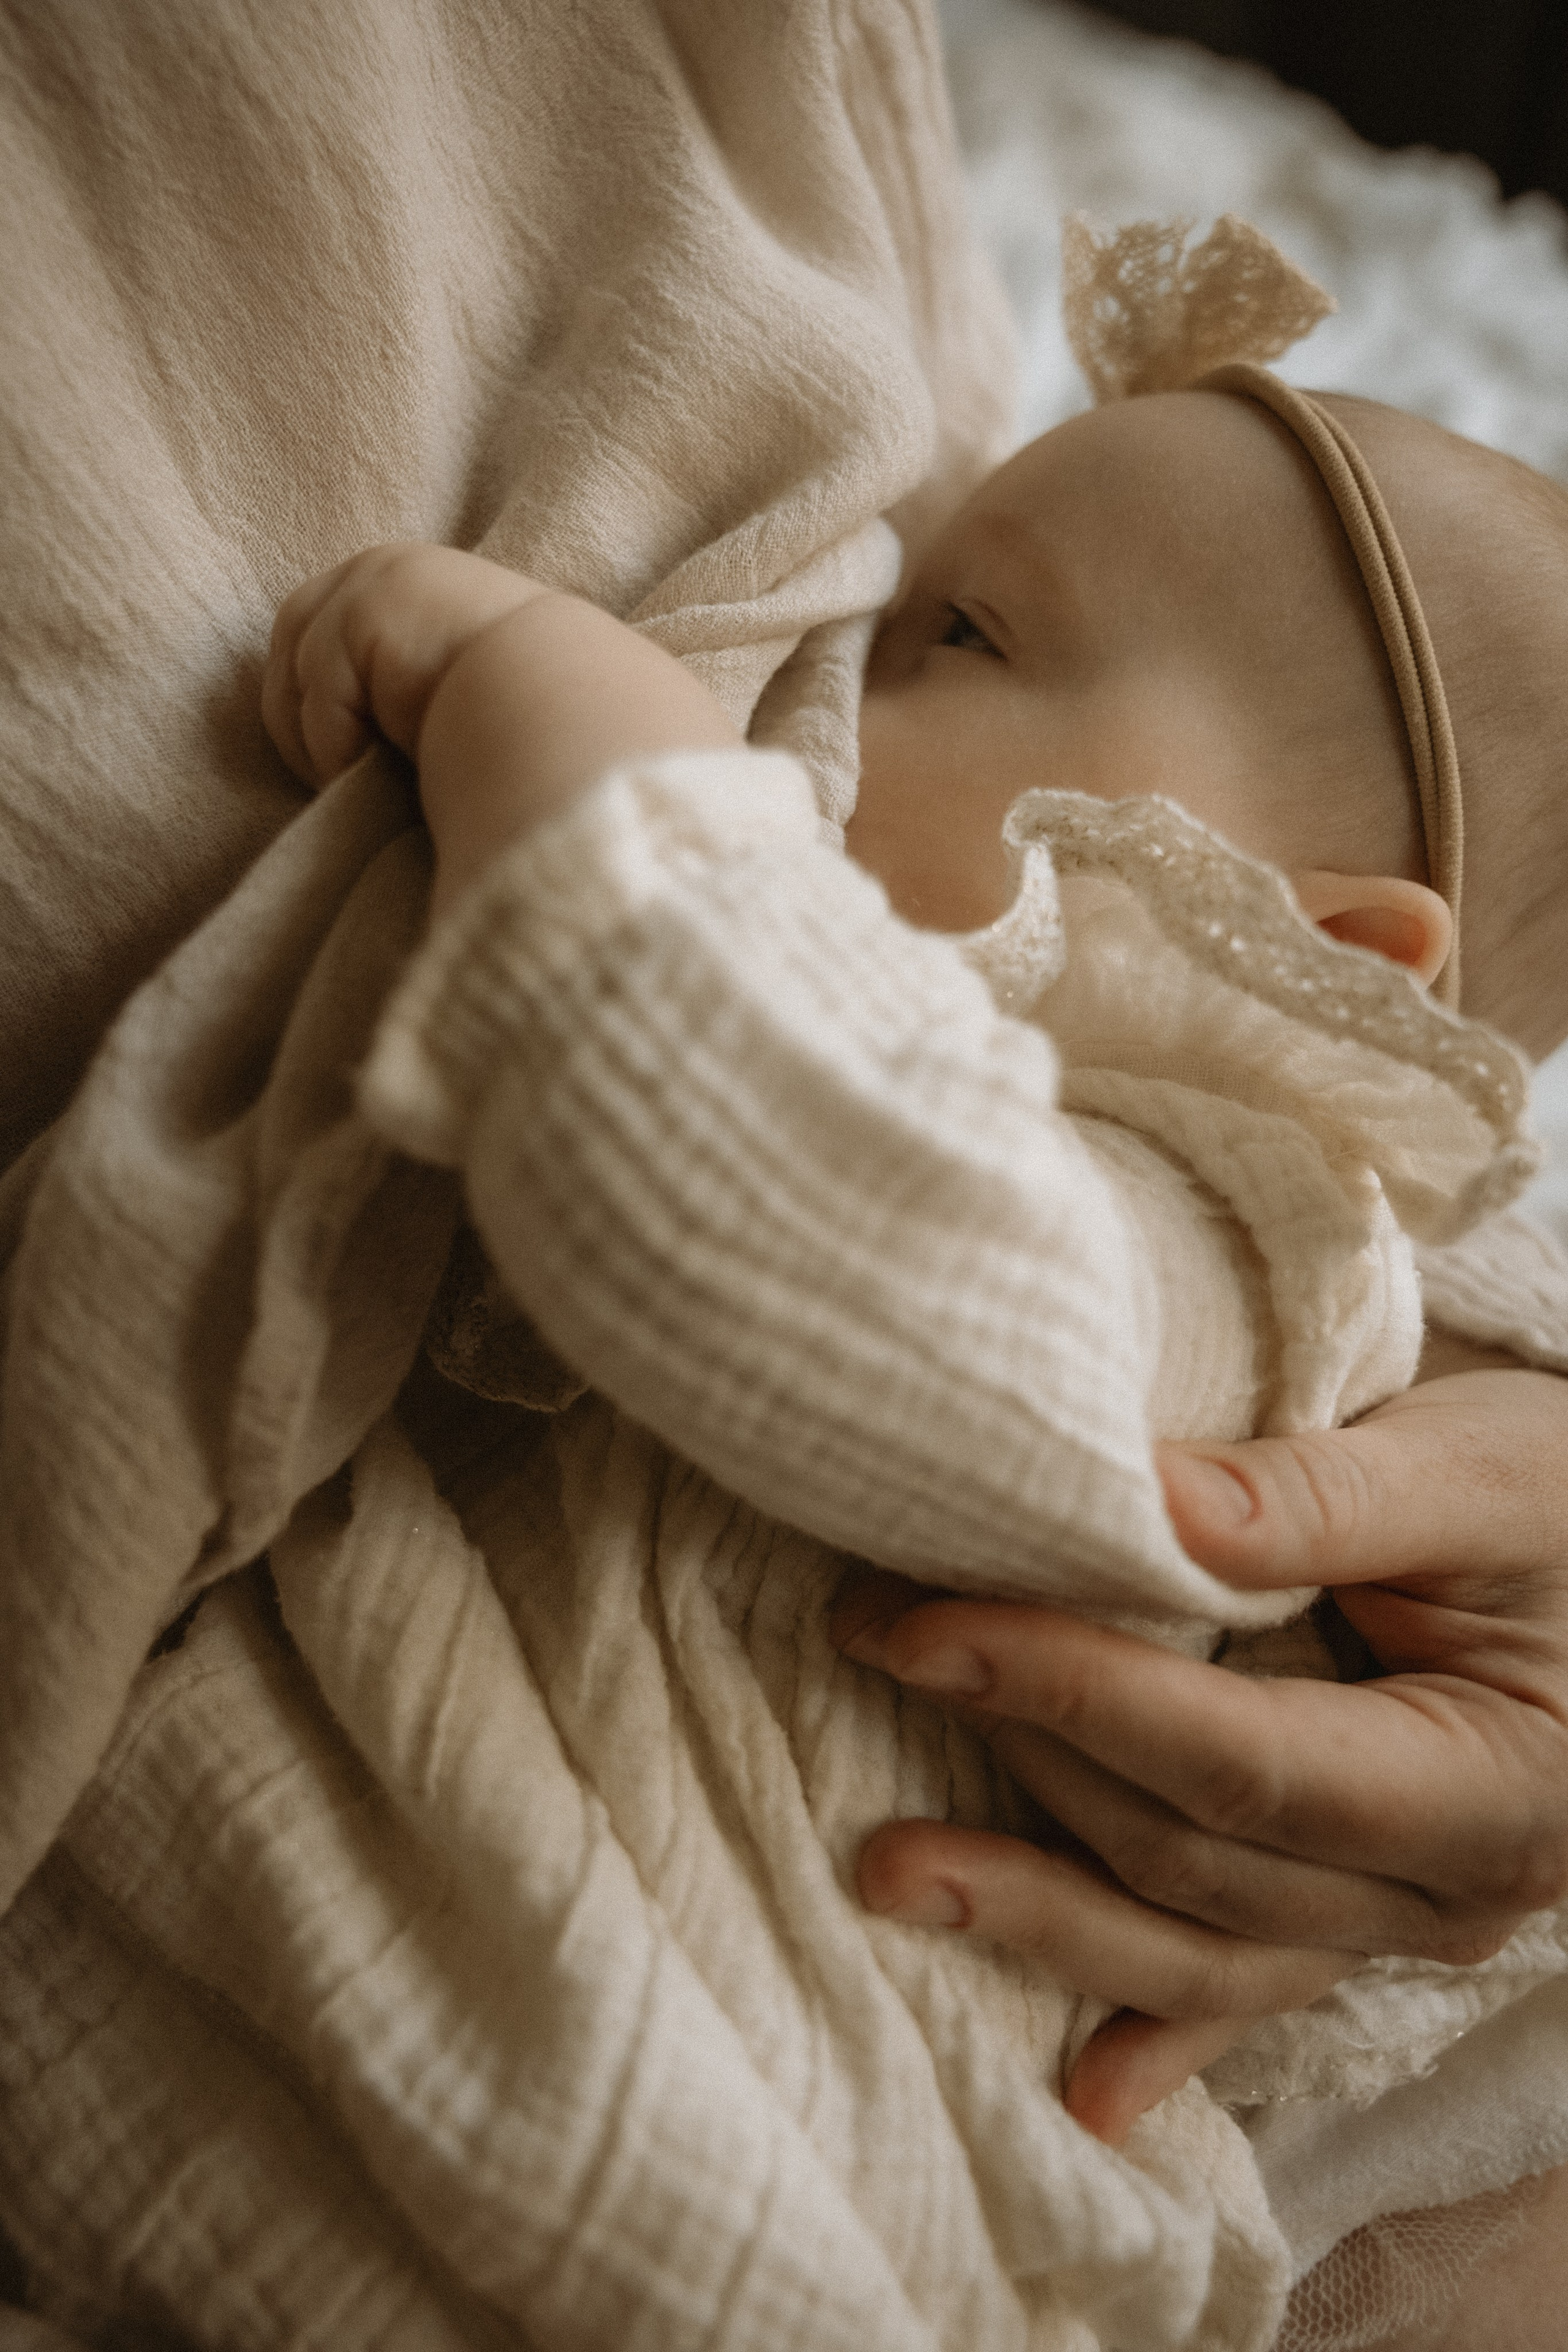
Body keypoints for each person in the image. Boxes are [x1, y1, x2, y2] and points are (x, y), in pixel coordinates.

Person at [260, 223, 1568, 2195]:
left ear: (1308, 954)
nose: (812, 653)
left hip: (705, 2149)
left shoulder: (1246, 1244)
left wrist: (537, 690)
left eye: (958, 636)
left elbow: (769, 1193)